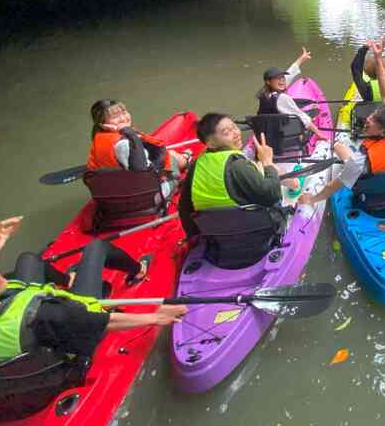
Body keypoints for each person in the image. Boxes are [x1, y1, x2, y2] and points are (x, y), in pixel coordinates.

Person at [0, 217, 185, 368]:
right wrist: (156, 317)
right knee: (96, 248)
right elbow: (105, 321)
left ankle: (67, 278)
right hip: (74, 320)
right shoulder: (46, 315)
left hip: (23, 332)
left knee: (28, 259)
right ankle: (138, 269)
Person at [300, 42, 385, 205]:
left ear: (382, 132)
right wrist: (378, 57)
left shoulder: (360, 159)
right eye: (373, 115)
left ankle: (336, 145)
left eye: (373, 120)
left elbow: (333, 186)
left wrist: (312, 199)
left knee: (339, 147)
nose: (368, 118)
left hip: (372, 200)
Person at [179, 114, 305, 268]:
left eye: (234, 127)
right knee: (265, 171)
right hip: (260, 238)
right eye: (227, 132)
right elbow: (272, 195)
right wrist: (267, 162)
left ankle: (289, 182)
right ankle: (294, 187)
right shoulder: (238, 166)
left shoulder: (196, 166)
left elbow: (184, 208)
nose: (236, 133)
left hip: (221, 243)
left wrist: (194, 238)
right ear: (211, 143)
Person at [86, 99, 190, 176]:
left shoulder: (98, 138)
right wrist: (130, 132)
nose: (123, 118)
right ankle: (187, 159)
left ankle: (184, 157)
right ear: (103, 124)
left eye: (124, 112)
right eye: (115, 117)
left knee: (167, 154)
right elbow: (144, 171)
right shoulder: (123, 144)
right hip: (146, 190)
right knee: (171, 155)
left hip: (116, 187)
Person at [256, 47, 326, 142]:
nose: (282, 80)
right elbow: (302, 117)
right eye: (277, 78)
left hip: (268, 131)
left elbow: (289, 75)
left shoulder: (263, 94)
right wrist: (318, 133)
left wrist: (301, 59)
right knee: (309, 115)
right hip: (280, 135)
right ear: (268, 81)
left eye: (282, 77)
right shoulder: (282, 98)